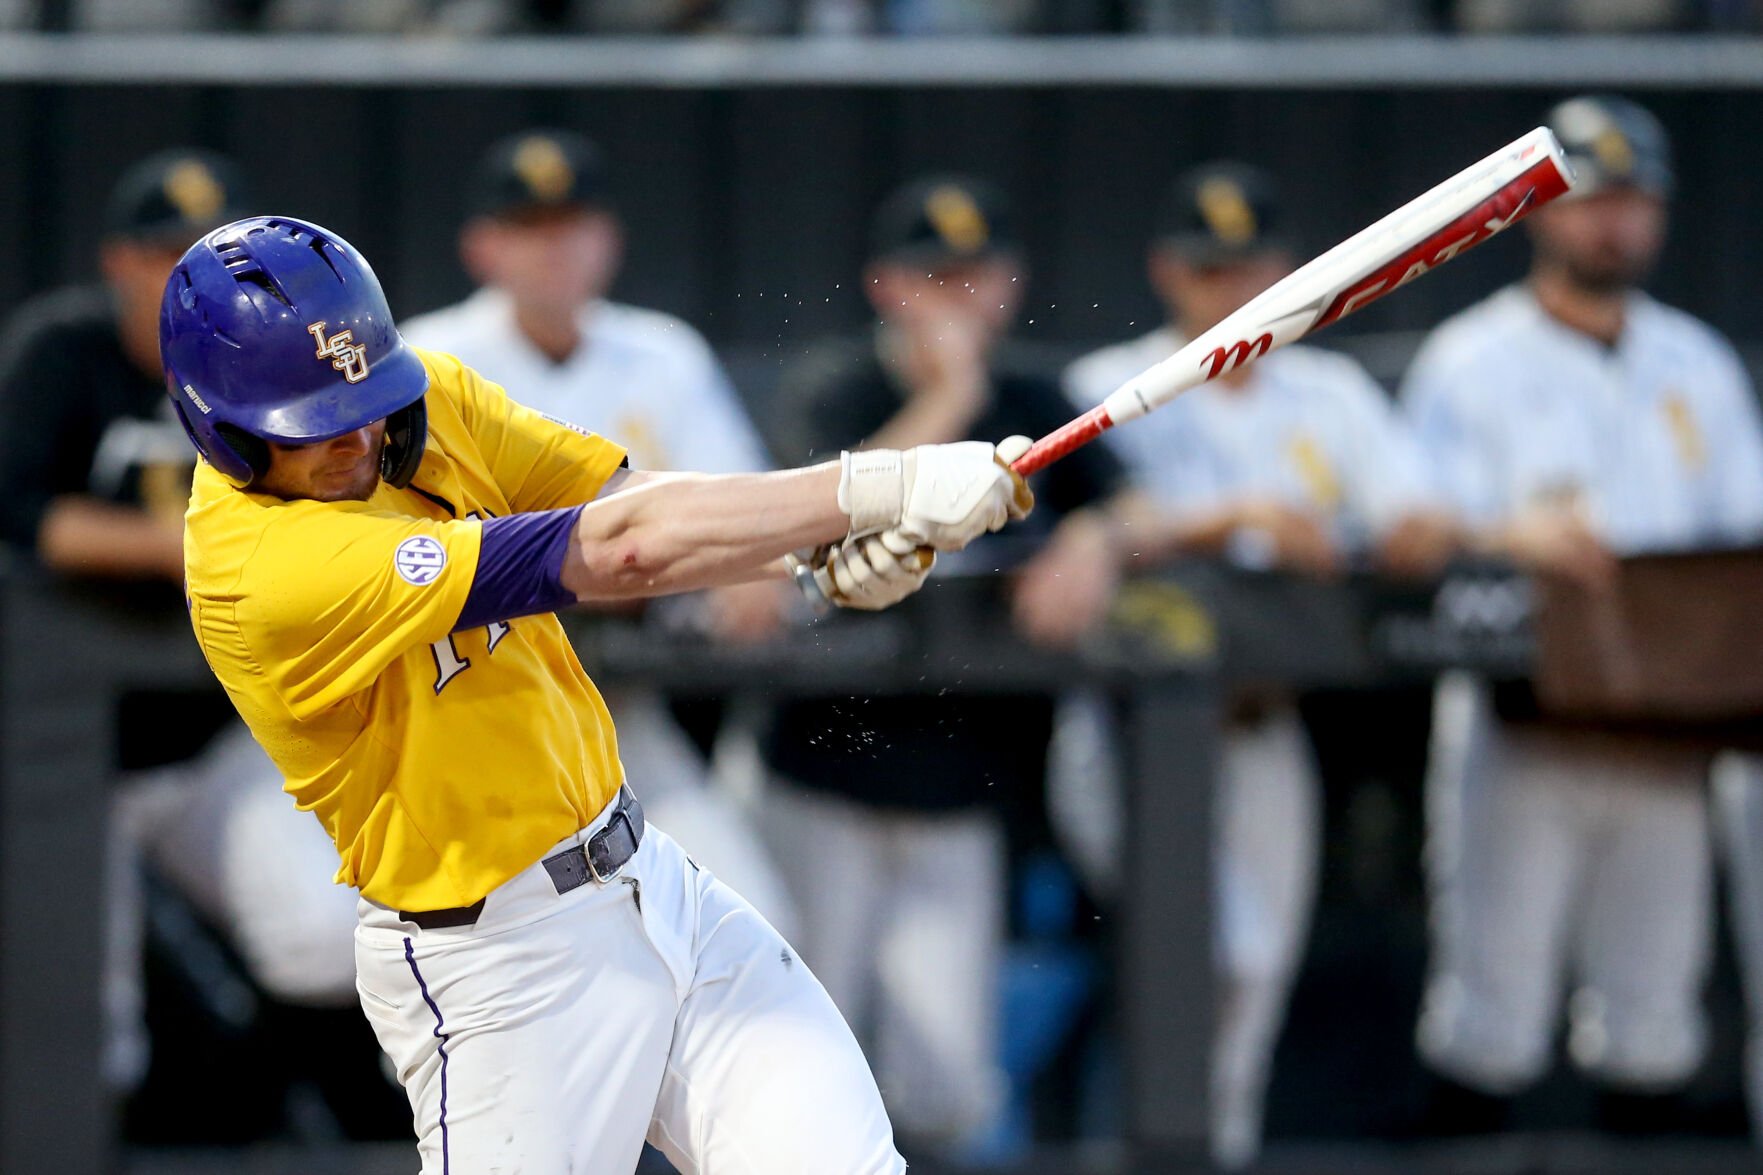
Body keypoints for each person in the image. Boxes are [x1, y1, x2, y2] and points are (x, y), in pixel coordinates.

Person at [164, 212, 1033, 1173]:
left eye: (366, 394)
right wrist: (877, 485)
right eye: (317, 421)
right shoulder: (263, 569)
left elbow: (630, 497)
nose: (359, 434)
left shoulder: (426, 401)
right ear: (222, 425)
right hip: (499, 966)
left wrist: (803, 548)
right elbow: (613, 552)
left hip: (651, 881)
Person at [1062, 160, 1455, 1168]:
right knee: (1186, 966)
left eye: (1249, 269)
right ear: (1165, 272)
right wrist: (1232, 520)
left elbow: (1413, 513)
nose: (1230, 291)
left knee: (1255, 974)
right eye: (1206, 270)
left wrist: (1409, 529)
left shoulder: (1327, 391)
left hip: (1264, 722)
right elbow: (1083, 533)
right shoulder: (1108, 383)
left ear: (1289, 271)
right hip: (1130, 731)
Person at [1403, 96, 1763, 1126]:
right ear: (1541, 214)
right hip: (1524, 714)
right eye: (1591, 198)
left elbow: (1736, 536)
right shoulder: (1468, 360)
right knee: (1490, 1010)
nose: (1612, 222)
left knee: (1651, 1016)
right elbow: (1407, 528)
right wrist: (1506, 534)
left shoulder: (1693, 360)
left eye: (1633, 198)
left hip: (1669, 723)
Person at [759, 174, 1131, 1152]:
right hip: (821, 772)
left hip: (960, 783)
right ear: (887, 285)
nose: (957, 300)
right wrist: (950, 392)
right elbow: (813, 511)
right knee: (798, 1070)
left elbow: (1125, 499)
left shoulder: (1038, 395)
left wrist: (1091, 540)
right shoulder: (836, 383)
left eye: (975, 277)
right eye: (934, 278)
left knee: (946, 1087)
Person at [0, 149, 364, 1090]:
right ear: (119, 261)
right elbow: (25, 512)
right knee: (78, 1034)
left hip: (216, 734)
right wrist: (184, 546)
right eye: (168, 253)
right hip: (66, 754)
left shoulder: (273, 364)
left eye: (215, 253)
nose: (190, 276)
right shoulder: (62, 350)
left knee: (330, 935)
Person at [402, 129, 798, 934]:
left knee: (753, 917)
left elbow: (738, 506)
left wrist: (755, 565)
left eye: (572, 223)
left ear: (607, 239)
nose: (556, 247)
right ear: (483, 245)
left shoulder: (662, 353)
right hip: (469, 709)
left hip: (620, 707)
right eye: (529, 226)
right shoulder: (428, 355)